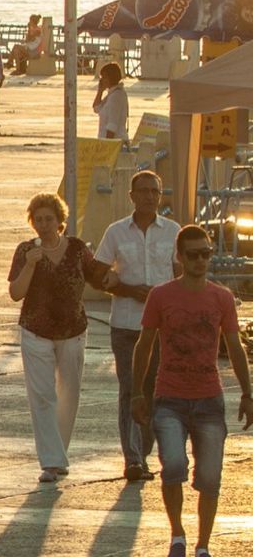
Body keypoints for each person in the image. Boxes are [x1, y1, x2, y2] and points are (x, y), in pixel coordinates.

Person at [132, 223, 251, 557]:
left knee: (210, 477)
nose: (201, 260)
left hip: (209, 400)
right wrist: (137, 392)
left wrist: (248, 392)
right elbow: (144, 345)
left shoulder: (221, 298)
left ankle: (203, 546)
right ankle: (177, 536)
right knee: (172, 465)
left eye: (206, 254)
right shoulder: (161, 296)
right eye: (194, 255)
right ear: (180, 257)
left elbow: (235, 347)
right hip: (169, 397)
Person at [8, 191, 108, 484]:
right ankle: (51, 461)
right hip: (35, 330)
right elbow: (15, 293)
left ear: (60, 220)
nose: (44, 225)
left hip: (73, 329)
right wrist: (30, 264)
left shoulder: (76, 248)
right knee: (42, 396)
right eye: (38, 219)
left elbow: (97, 277)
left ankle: (59, 454)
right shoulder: (26, 250)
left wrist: (120, 274)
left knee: (69, 393)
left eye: (48, 219)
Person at [96, 170, 179, 483]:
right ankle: (132, 458)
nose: (149, 196)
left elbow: (182, 273)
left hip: (162, 327)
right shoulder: (116, 232)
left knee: (155, 390)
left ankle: (143, 452)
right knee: (130, 388)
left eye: (154, 191)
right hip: (127, 324)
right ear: (131, 196)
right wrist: (128, 289)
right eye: (143, 191)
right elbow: (98, 274)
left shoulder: (173, 231)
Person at [94, 61, 128, 140]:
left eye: (104, 77)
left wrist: (107, 145)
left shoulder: (116, 96)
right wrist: (100, 91)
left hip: (115, 141)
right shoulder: (111, 94)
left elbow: (112, 125)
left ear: (111, 78)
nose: (102, 80)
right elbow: (96, 108)